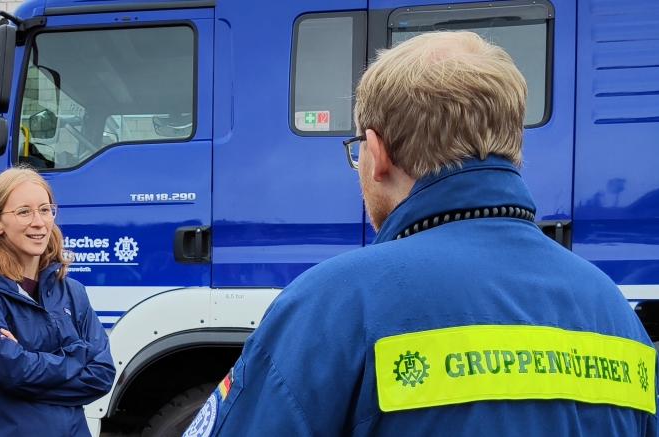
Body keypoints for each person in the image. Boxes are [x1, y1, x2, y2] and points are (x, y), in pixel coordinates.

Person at [184, 31, 656, 436]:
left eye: (357, 151)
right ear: (511, 145)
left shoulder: (336, 304)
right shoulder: (615, 314)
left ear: (377, 152)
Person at [0, 167, 116, 436]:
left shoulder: (73, 292)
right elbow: (12, 371)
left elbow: (101, 375)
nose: (39, 222)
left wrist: (25, 374)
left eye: (45, 209)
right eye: (24, 212)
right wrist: (77, 354)